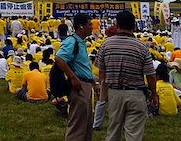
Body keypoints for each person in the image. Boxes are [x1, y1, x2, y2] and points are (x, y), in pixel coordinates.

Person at [95, 10, 157, 141]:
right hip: (136, 94)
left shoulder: (106, 44)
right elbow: (151, 76)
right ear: (134, 26)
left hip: (114, 93)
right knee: (134, 134)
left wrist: (103, 90)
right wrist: (153, 93)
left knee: (113, 130)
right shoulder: (142, 47)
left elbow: (101, 71)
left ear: (116, 25)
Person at [54, 13, 95, 141]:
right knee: (77, 125)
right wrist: (72, 77)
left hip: (86, 85)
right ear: (81, 26)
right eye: (89, 25)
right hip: (79, 85)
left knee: (87, 123)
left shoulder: (81, 42)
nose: (92, 27)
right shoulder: (72, 41)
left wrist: (94, 83)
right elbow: (59, 58)